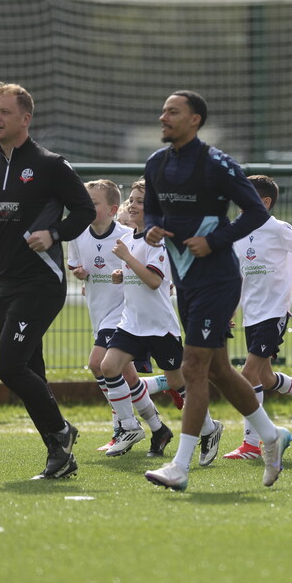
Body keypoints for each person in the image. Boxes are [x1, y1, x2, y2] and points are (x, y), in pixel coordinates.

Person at [141, 90, 292, 491]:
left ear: (195, 120)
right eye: (163, 111)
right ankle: (271, 436)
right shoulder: (156, 163)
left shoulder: (217, 164)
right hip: (186, 281)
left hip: (219, 280)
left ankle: (180, 466)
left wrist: (216, 240)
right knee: (221, 371)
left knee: (192, 369)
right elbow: (153, 210)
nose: (163, 117)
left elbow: (257, 211)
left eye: (172, 112)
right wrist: (150, 228)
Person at [0, 82, 95, 480]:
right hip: (3, 284)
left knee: (8, 364)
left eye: (3, 112)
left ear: (25, 119)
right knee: (29, 367)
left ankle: (61, 431)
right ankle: (60, 454)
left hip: (41, 282)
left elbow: (84, 210)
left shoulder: (51, 164)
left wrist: (54, 235)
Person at [67, 179, 181, 453]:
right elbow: (75, 265)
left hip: (124, 314)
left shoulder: (125, 234)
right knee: (126, 378)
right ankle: (158, 428)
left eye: (93, 203)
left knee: (99, 364)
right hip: (99, 311)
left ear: (111, 208)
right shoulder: (77, 233)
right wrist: (80, 273)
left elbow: (150, 265)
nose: (86, 207)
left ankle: (127, 427)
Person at [223, 175, 292, 459]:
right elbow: (238, 277)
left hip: (275, 310)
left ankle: (252, 444)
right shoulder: (237, 231)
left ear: (264, 202)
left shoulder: (278, 228)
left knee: (248, 375)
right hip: (251, 313)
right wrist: (230, 309)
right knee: (263, 377)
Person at [97, 179, 177, 457]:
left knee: (178, 383)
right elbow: (137, 273)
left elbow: (155, 281)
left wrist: (128, 261)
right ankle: (129, 426)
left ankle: (207, 428)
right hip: (132, 323)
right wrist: (123, 273)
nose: (133, 205)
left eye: (140, 201)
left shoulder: (159, 241)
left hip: (159, 325)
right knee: (108, 366)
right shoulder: (129, 238)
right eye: (131, 199)